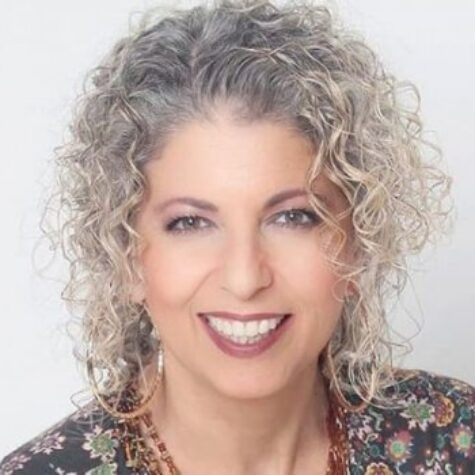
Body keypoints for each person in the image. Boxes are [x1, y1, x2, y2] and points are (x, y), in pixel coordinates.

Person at [1, 0, 474, 473]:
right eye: (190, 223)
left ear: (358, 241)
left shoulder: (454, 440)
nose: (245, 278)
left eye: (293, 217)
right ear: (126, 257)